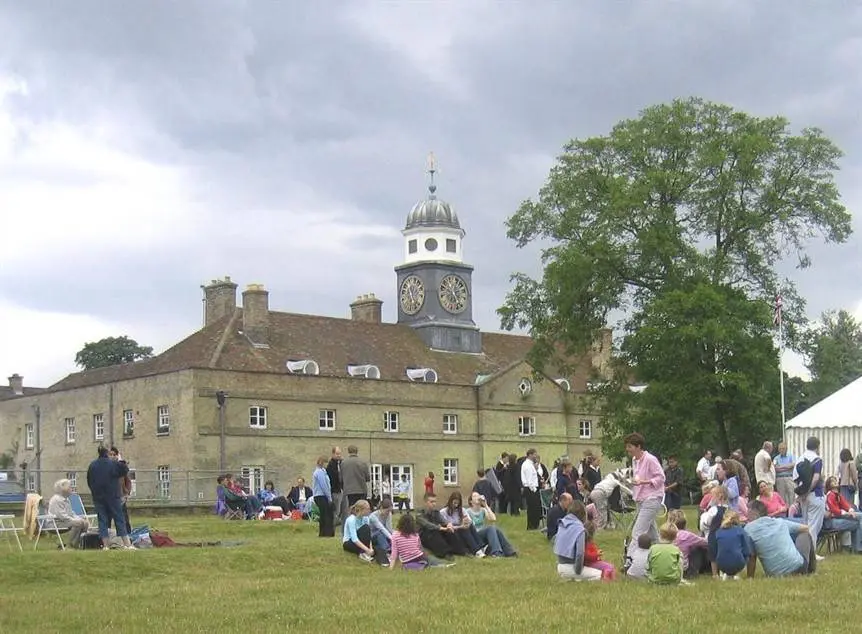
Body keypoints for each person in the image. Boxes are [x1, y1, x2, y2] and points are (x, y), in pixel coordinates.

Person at [744, 500, 815, 577]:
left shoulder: (748, 529)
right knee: (804, 534)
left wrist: (750, 577)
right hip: (799, 568)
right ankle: (811, 570)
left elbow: (752, 556)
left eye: (747, 510)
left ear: (753, 512)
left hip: (774, 574)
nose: (746, 514)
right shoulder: (780, 522)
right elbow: (806, 528)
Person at [624, 432, 665, 558]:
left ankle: (629, 560)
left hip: (652, 498)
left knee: (638, 531)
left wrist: (644, 482)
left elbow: (661, 477)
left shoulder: (650, 459)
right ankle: (662, 554)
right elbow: (638, 477)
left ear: (639, 446)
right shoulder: (634, 460)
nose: (627, 449)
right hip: (640, 499)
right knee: (653, 534)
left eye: (630, 446)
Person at [86, 446, 133, 550]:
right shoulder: (112, 464)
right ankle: (127, 544)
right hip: (113, 495)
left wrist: (95, 491)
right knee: (119, 519)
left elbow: (89, 480)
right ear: (107, 453)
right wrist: (120, 459)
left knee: (102, 520)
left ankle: (105, 545)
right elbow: (125, 470)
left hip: (98, 497)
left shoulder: (92, 465)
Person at [553, 500, 602, 581]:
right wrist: (578, 572)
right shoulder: (579, 529)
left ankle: (571, 578)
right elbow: (580, 553)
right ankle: (576, 579)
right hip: (571, 567)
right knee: (599, 574)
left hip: (560, 565)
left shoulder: (562, 523)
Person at [796, 436, 825, 552]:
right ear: (817, 446)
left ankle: (803, 550)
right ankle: (811, 553)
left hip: (803, 496)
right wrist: (808, 490)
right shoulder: (817, 459)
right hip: (815, 494)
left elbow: (795, 478)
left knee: (805, 524)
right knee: (813, 526)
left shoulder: (800, 458)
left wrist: (801, 493)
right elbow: (816, 477)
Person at [466, 492, 517, 557]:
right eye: (475, 496)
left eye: (478, 496)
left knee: (496, 529)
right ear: (471, 501)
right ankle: (496, 552)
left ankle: (509, 551)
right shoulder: (468, 511)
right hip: (475, 536)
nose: (478, 497)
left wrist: (486, 505)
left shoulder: (483, 510)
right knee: (491, 528)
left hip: (483, 536)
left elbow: (493, 519)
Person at [342, 500, 388, 565]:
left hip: (361, 542)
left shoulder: (366, 518)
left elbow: (368, 537)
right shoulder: (351, 519)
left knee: (377, 547)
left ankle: (384, 562)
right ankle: (363, 553)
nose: (370, 510)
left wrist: (370, 548)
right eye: (368, 509)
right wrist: (367, 549)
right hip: (349, 543)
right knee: (366, 528)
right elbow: (354, 539)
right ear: (361, 510)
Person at [47, 478, 90, 549]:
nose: (72, 489)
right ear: (63, 488)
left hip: (64, 521)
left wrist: (80, 519)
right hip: (55, 523)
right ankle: (69, 545)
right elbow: (62, 515)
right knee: (78, 523)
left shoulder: (66, 499)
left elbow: (71, 513)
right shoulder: (56, 499)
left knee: (84, 523)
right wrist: (74, 520)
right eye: (70, 487)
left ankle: (77, 544)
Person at [824, 475, 862, 553]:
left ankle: (854, 547)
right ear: (829, 485)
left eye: (835, 480)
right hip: (832, 521)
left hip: (839, 517)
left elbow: (845, 503)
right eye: (832, 481)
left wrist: (850, 510)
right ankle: (857, 548)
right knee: (857, 522)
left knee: (858, 519)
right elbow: (833, 510)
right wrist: (846, 513)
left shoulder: (837, 494)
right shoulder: (830, 495)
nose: (835, 481)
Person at [714, 511, 750, 580]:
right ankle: (738, 574)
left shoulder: (718, 532)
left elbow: (716, 550)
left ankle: (725, 574)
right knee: (748, 555)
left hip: (721, 564)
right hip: (738, 563)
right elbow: (747, 550)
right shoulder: (741, 531)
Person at [108, 447, 132, 534]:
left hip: (120, 497)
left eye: (114, 455)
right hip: (109, 498)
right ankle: (108, 539)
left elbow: (128, 482)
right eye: (110, 455)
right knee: (107, 519)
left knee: (124, 519)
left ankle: (128, 536)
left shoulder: (121, 467)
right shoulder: (105, 468)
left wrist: (126, 493)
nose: (112, 457)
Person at [312, 455, 334, 538]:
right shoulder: (319, 472)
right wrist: (329, 497)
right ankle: (325, 533)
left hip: (322, 495)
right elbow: (324, 485)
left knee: (325, 514)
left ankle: (326, 532)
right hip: (321, 495)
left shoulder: (323, 471)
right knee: (325, 515)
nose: (327, 464)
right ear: (322, 462)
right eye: (326, 462)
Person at [326, 446, 345, 524]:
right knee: (336, 508)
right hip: (334, 490)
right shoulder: (330, 465)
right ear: (333, 454)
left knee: (342, 508)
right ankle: (333, 524)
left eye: (340, 454)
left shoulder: (342, 463)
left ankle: (339, 522)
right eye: (337, 454)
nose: (339, 455)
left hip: (342, 490)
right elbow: (331, 478)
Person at [773, 442, 796, 506]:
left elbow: (793, 465)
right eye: (780, 449)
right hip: (779, 479)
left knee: (791, 495)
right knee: (781, 496)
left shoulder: (791, 456)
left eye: (783, 448)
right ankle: (783, 513)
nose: (781, 450)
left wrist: (781, 467)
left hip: (789, 478)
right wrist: (787, 467)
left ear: (786, 449)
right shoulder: (776, 458)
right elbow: (775, 468)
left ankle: (791, 512)